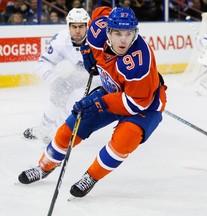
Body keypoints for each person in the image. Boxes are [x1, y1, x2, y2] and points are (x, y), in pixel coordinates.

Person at [18, 6, 167, 198]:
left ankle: (92, 176)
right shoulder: (97, 30)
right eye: (118, 33)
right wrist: (88, 49)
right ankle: (44, 167)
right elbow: (101, 11)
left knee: (124, 140)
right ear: (107, 31)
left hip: (144, 104)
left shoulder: (139, 62)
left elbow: (135, 104)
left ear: (135, 33)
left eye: (129, 34)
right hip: (112, 90)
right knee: (69, 128)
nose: (124, 39)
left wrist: (99, 103)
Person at [23, 7, 99, 144]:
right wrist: (55, 80)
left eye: (81, 26)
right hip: (79, 74)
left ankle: (60, 130)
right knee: (60, 92)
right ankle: (44, 128)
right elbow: (43, 63)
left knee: (76, 97)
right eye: (74, 26)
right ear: (68, 26)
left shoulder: (97, 40)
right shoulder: (61, 39)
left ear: (87, 26)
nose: (77, 31)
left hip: (99, 79)